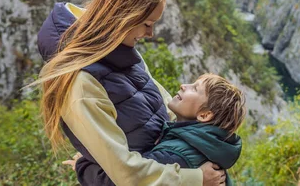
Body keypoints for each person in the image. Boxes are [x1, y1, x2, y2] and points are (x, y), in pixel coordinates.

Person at [30, 0, 225, 185]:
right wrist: (196, 178)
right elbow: (125, 172)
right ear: (123, 16)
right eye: (147, 24)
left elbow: (166, 106)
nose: (150, 33)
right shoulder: (82, 83)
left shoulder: (123, 54)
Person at [70, 74, 246, 186]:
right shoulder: (206, 145)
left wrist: (82, 164)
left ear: (205, 115)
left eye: (195, 88)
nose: (184, 85)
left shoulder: (175, 154)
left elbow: (119, 181)